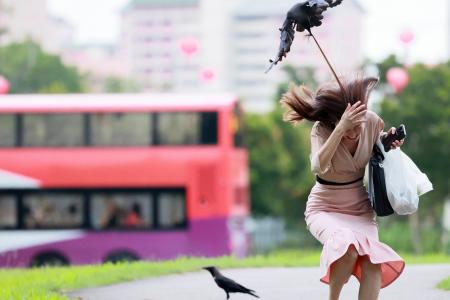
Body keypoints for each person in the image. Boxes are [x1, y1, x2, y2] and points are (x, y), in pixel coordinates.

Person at [280, 77, 405, 300]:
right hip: (325, 206)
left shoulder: (373, 121)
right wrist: (340, 129)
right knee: (347, 249)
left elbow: (376, 148)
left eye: (359, 125)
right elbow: (317, 166)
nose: (355, 131)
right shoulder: (321, 130)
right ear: (334, 121)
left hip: (360, 207)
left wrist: (388, 142)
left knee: (372, 263)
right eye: (350, 126)